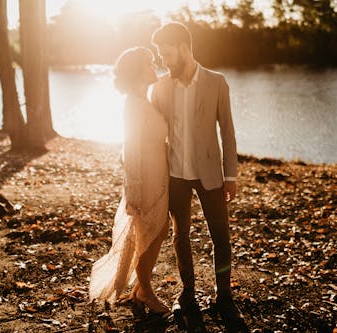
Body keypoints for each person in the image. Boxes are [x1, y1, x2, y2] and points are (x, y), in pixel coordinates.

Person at [151, 22, 249, 332]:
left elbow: (228, 133)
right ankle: (188, 292)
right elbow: (154, 135)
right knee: (181, 237)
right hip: (175, 176)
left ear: (183, 48)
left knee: (221, 237)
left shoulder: (217, 82)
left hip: (211, 176)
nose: (163, 61)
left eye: (166, 54)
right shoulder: (161, 87)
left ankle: (224, 296)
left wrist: (230, 175)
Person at [89, 47, 170, 318]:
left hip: (158, 176)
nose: (154, 65)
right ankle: (145, 290)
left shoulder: (142, 99)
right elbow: (131, 148)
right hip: (145, 180)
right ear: (137, 70)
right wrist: (134, 190)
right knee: (148, 233)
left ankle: (140, 289)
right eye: (149, 63)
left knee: (156, 232)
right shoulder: (134, 104)